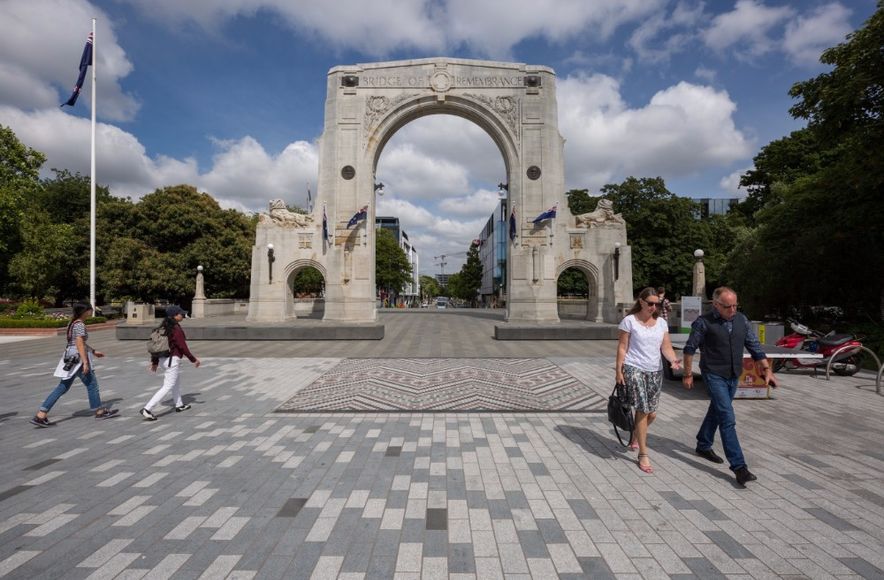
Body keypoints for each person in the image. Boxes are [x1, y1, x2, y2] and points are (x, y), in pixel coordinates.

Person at [681, 286, 777, 486]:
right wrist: (688, 374)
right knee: (727, 417)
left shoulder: (741, 319)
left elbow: (754, 345)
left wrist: (767, 369)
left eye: (735, 305)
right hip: (713, 373)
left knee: (717, 410)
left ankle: (703, 444)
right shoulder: (703, 322)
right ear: (716, 305)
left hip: (734, 374)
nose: (732, 310)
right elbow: (689, 349)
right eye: (727, 307)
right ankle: (739, 468)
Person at [616, 287, 681, 474]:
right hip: (633, 368)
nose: (654, 307)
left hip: (655, 371)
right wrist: (619, 371)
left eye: (657, 304)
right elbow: (622, 347)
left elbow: (666, 347)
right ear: (642, 301)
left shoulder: (661, 323)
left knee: (652, 414)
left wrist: (673, 360)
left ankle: (636, 434)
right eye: (650, 303)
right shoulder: (629, 321)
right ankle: (643, 454)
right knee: (643, 410)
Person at [30, 303, 119, 427]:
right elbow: (79, 344)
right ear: (85, 311)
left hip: (70, 357)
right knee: (92, 385)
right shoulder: (80, 325)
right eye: (90, 310)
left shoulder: (72, 323)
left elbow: (77, 343)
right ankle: (100, 411)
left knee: (62, 387)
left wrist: (93, 351)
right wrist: (86, 362)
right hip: (78, 358)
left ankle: (41, 414)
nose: (91, 312)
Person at [140, 305, 201, 421]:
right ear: (174, 315)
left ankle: (179, 405)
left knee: (175, 383)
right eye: (180, 314)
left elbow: (156, 345)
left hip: (165, 360)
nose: (182, 315)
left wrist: (155, 362)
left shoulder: (163, 327)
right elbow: (182, 346)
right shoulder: (175, 328)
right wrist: (193, 360)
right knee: (168, 386)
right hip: (172, 361)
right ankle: (147, 409)